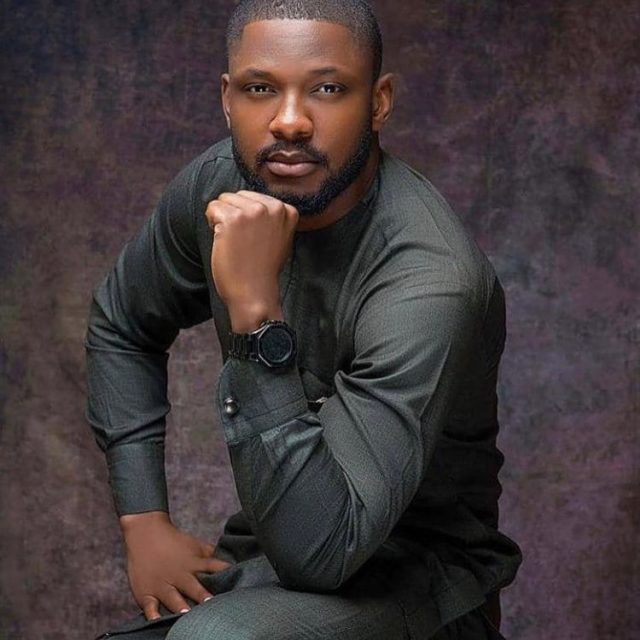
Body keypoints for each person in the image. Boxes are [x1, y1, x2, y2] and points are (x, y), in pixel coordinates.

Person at [84, 1, 522, 638]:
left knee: (214, 638)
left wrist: (256, 317)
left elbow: (324, 554)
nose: (289, 121)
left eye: (327, 89)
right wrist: (143, 520)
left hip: (422, 581)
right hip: (272, 551)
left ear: (378, 103)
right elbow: (123, 323)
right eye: (261, 89)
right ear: (228, 99)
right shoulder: (216, 188)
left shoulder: (429, 280)